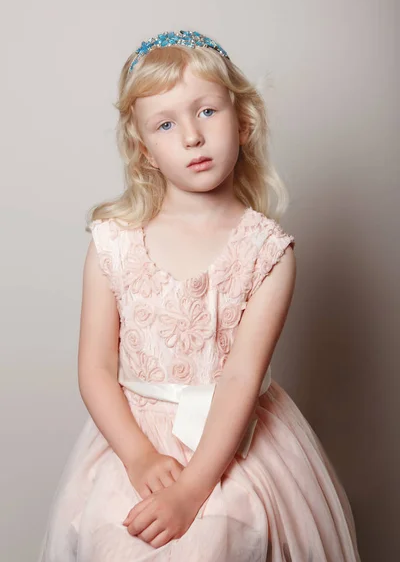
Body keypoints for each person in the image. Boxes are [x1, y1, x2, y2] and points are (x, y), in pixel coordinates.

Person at [38, 30, 360, 561]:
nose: (191, 136)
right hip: (132, 437)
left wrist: (191, 491)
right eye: (166, 123)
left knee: (219, 538)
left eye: (206, 111)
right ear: (144, 150)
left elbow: (240, 377)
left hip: (228, 440)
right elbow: (95, 368)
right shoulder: (113, 244)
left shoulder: (267, 252)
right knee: (113, 535)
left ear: (244, 121)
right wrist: (140, 457)